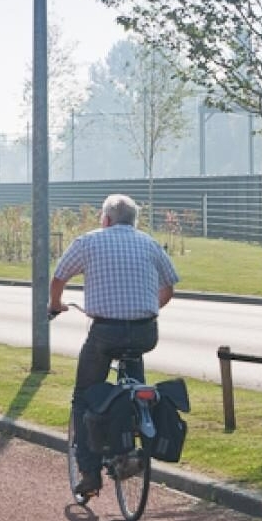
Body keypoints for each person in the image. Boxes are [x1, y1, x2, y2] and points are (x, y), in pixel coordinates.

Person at [49, 193, 179, 498]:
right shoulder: (149, 243)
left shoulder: (88, 242)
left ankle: (90, 474)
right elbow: (169, 288)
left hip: (106, 332)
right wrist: (146, 308)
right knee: (136, 388)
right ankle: (135, 427)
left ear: (106, 219)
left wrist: (55, 305)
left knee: (83, 396)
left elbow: (59, 278)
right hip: (145, 332)